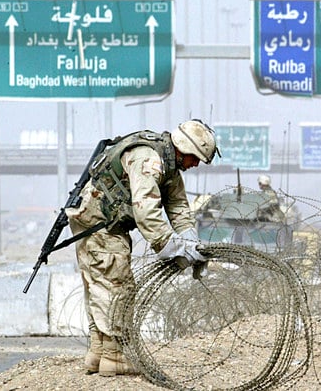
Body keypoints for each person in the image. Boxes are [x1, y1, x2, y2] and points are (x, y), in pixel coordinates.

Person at [65, 119, 219, 376]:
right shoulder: (149, 160)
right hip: (98, 224)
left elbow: (179, 208)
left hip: (102, 222)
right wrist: (169, 246)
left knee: (100, 284)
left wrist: (191, 244)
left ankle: (98, 353)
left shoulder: (168, 166)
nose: (195, 165)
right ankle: (114, 357)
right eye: (196, 159)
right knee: (117, 284)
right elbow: (146, 209)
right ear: (183, 149)